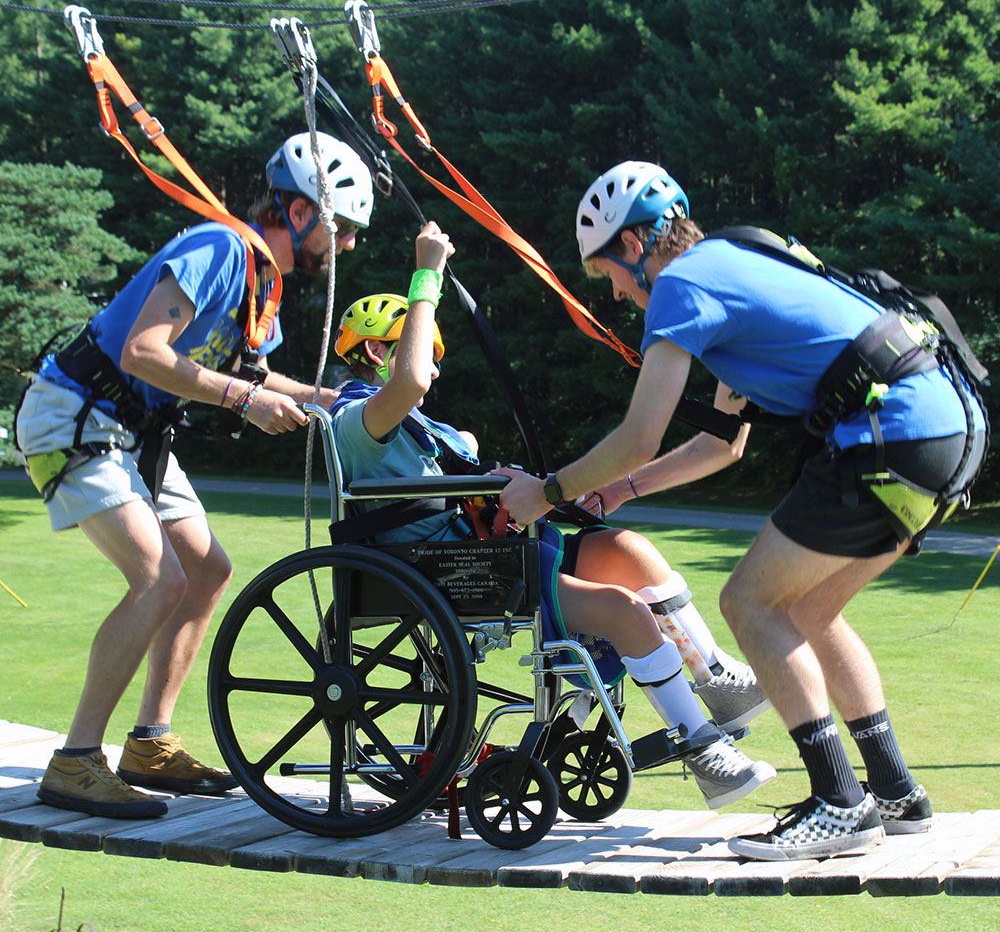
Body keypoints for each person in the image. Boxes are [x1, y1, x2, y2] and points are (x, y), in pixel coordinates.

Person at [495, 160, 989, 859]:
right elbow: (722, 444)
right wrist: (621, 490)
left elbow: (640, 435)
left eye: (608, 273)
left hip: (890, 432)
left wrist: (546, 491)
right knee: (810, 610)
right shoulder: (737, 262)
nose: (616, 293)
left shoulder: (680, 286)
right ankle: (895, 792)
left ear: (634, 245)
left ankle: (840, 804)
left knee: (749, 604)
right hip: (946, 427)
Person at [327, 231, 777, 812]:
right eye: (425, 354)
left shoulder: (409, 428)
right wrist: (428, 273)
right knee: (625, 612)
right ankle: (701, 746)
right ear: (374, 352)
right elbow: (409, 380)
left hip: (485, 552)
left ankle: (714, 678)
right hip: (452, 570)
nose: (434, 372)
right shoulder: (359, 422)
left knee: (627, 550)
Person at [15, 132, 374, 820]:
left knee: (206, 570)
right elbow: (143, 352)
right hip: (78, 414)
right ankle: (75, 761)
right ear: (301, 212)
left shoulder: (261, 286)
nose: (349, 246)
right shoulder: (219, 249)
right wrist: (242, 401)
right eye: (345, 228)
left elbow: (253, 375)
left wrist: (339, 400)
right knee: (159, 580)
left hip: (134, 432)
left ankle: (149, 744)